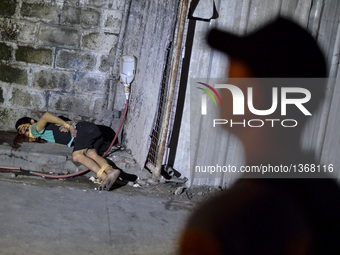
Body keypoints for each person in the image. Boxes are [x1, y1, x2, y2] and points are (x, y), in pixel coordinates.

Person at [178, 18, 340, 254]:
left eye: (232, 77)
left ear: (256, 95)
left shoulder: (221, 224)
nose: (222, 87)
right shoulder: (329, 197)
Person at [15, 112, 120, 191]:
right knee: (91, 154)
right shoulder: (45, 133)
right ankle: (110, 173)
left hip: (84, 130)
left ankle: (103, 176)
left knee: (77, 156)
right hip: (89, 129)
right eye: (23, 134)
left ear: (32, 122)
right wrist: (68, 123)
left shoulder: (35, 129)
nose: (26, 134)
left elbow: (46, 116)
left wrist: (67, 126)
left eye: (25, 129)